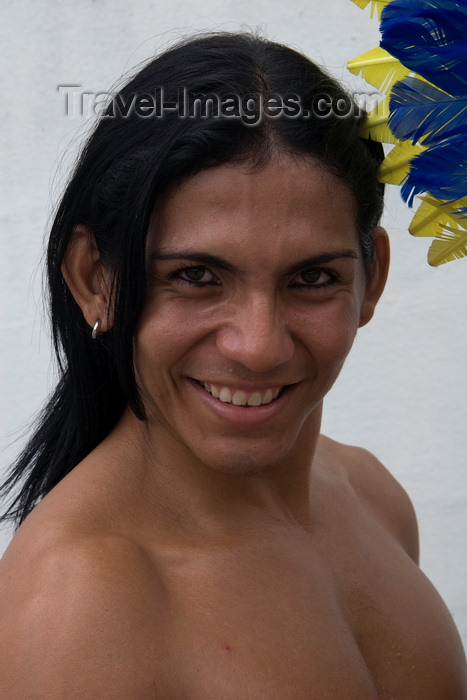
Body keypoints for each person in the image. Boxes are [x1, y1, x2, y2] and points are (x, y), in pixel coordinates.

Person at [0, 32, 466, 699]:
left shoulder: (372, 497)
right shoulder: (81, 606)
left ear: (373, 277)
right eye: (195, 276)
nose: (258, 344)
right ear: (93, 278)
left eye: (310, 278)